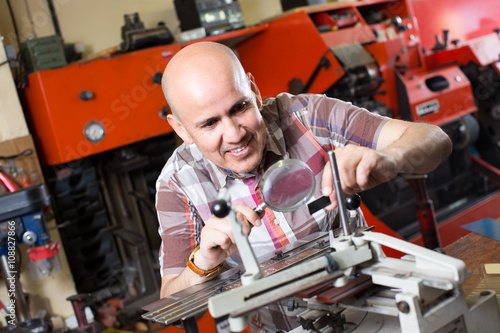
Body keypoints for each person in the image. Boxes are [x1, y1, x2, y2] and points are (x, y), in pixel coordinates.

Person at [155, 41, 452, 330]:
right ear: (181, 129)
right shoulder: (178, 183)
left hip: (377, 311)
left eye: (239, 107)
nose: (233, 134)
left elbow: (436, 141)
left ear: (254, 91)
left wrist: (390, 158)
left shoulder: (307, 117)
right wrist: (204, 260)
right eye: (209, 124)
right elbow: (171, 306)